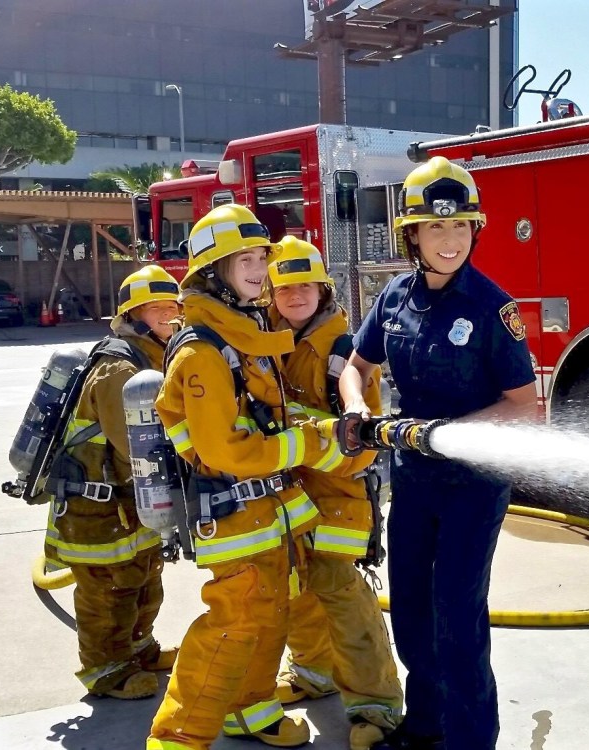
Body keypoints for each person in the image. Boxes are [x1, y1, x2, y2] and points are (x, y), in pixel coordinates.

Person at [338, 156, 537, 750]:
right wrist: (356, 408)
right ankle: (424, 729)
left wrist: (441, 431)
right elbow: (357, 365)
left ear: (475, 232)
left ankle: (472, 741)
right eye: (436, 228)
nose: (450, 241)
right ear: (413, 236)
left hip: (473, 489)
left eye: (460, 228)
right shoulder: (395, 297)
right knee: (413, 620)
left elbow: (523, 405)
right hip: (414, 484)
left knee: (457, 622)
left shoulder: (492, 308)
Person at [147, 204, 344, 749]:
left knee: (270, 616)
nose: (261, 270)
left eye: (262, 257)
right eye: (246, 260)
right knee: (231, 628)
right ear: (214, 272)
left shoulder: (244, 337)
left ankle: (250, 713)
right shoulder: (203, 353)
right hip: (232, 514)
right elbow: (223, 449)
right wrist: (304, 443)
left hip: (264, 512)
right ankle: (177, 737)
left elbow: (266, 419)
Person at [268, 235, 403, 750]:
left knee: (345, 597)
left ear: (322, 290)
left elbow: (362, 444)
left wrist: (293, 432)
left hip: (337, 493)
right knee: (295, 585)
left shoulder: (342, 349)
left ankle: (377, 705)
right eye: (285, 287)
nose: (296, 295)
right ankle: (312, 672)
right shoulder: (267, 340)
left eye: (306, 286)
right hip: (287, 490)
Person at [44, 265, 181, 699]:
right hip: (96, 507)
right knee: (108, 592)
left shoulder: (155, 357)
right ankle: (105, 669)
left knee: (144, 578)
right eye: (156, 309)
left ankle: (138, 648)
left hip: (131, 501)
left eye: (173, 307)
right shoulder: (118, 369)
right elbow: (132, 445)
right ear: (133, 315)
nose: (168, 316)